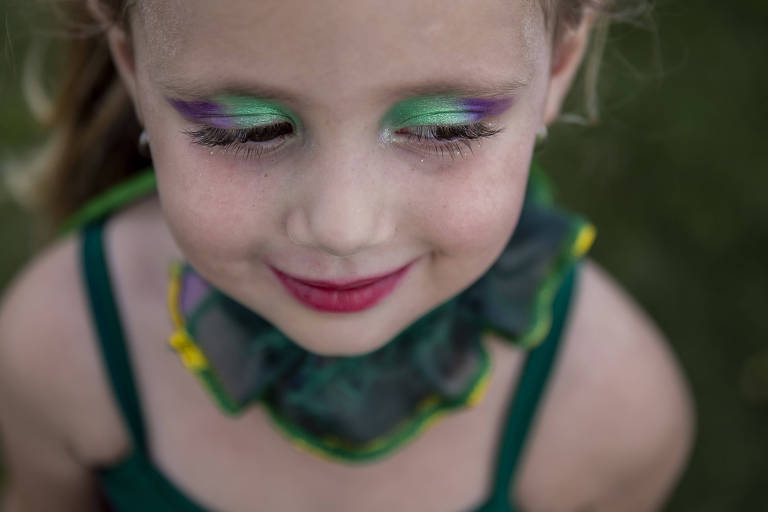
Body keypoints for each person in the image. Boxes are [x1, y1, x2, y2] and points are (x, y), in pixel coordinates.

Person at [0, 0, 694, 510]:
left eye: (444, 126)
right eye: (250, 128)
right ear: (132, 64)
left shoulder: (613, 414)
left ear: (558, 67)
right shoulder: (62, 353)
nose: (342, 226)